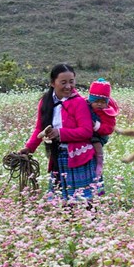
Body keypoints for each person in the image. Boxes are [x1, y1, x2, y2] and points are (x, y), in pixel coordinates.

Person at [19, 63, 98, 201]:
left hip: (79, 157)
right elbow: (40, 129)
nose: (68, 86)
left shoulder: (78, 102)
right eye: (63, 82)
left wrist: (60, 133)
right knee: (62, 203)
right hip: (58, 157)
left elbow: (86, 132)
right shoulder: (46, 102)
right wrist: (29, 148)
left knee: (84, 203)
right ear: (52, 83)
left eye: (71, 82)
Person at [87, 78, 119, 178]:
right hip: (89, 133)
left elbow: (109, 128)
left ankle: (100, 163)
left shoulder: (108, 112)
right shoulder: (86, 106)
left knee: (96, 144)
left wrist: (96, 126)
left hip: (100, 135)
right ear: (91, 100)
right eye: (96, 101)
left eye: (103, 102)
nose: (100, 104)